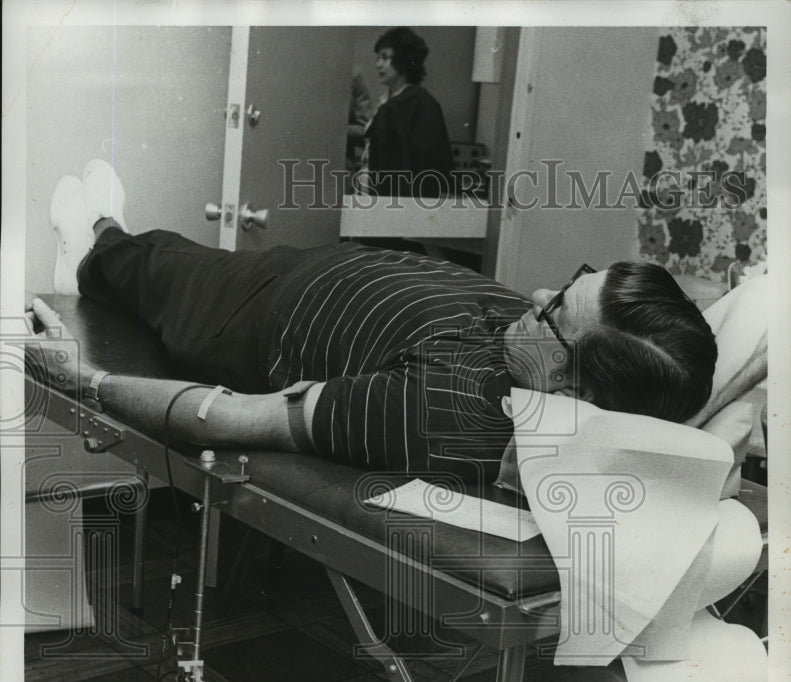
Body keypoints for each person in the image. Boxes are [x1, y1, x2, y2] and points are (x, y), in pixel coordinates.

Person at [30, 160, 763, 486]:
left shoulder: (446, 415)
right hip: (325, 274)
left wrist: (87, 381)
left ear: (573, 391)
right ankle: (109, 243)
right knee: (183, 256)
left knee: (161, 267)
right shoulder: (554, 360)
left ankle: (93, 247)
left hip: (256, 318)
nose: (538, 290)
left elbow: (220, 419)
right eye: (572, 282)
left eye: (554, 310)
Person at [363, 28, 455, 198]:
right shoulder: (389, 103)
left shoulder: (421, 104)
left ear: (402, 60)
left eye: (385, 57)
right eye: (378, 58)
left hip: (403, 202)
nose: (378, 65)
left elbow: (428, 165)